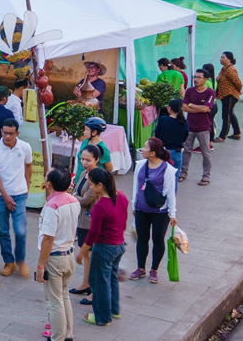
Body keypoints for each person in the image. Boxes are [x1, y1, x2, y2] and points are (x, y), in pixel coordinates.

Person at [33, 167, 81, 341]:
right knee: (64, 297)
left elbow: (48, 238)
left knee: (54, 301)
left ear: (50, 184)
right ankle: (68, 336)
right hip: (69, 254)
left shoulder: (52, 207)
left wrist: (40, 265)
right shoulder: (74, 201)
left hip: (55, 257)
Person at [80, 168, 127, 326]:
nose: (90, 187)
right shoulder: (122, 197)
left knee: (99, 282)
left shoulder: (100, 206)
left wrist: (82, 252)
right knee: (112, 278)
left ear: (100, 185)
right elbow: (124, 220)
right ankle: (114, 309)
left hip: (104, 248)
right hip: (119, 245)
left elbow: (93, 233)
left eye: (92, 184)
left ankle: (102, 317)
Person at [130, 138, 179, 283]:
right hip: (141, 209)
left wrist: (172, 213)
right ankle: (141, 268)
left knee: (158, 240)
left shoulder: (168, 170)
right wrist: (134, 205)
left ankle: (154, 269)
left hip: (160, 212)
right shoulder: (139, 165)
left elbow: (170, 193)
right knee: (142, 239)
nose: (142, 149)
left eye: (145, 147)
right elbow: (135, 187)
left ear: (152, 153)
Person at [0, 118, 33, 277]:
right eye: (5, 133)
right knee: (3, 230)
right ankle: (9, 262)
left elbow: (29, 166)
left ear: (17, 133)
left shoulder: (25, 147)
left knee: (21, 230)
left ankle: (20, 260)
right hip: (1, 196)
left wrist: (26, 187)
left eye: (11, 134)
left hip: (20, 194)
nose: (7, 137)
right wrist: (6, 196)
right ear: (1, 131)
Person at [69, 145, 103, 301]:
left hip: (90, 221)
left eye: (88, 160)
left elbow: (84, 200)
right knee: (87, 254)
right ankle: (85, 284)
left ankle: (92, 289)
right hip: (82, 220)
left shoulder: (98, 177)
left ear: (97, 160)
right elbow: (76, 191)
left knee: (91, 255)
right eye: (82, 159)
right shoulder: (83, 174)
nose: (84, 162)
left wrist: (70, 196)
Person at [180, 69, 216, 186]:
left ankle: (206, 176)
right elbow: (184, 107)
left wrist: (192, 105)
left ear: (205, 79)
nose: (196, 79)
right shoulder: (190, 91)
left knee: (205, 153)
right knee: (186, 151)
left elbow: (206, 109)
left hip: (204, 128)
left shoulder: (210, 92)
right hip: (190, 126)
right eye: (195, 77)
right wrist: (198, 107)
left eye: (199, 77)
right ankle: (183, 173)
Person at [152, 100, 189, 171]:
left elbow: (157, 134)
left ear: (169, 108)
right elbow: (185, 137)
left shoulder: (163, 119)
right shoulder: (184, 122)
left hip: (164, 151)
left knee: (162, 175)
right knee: (175, 176)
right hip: (177, 152)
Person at [214, 52, 243, 142]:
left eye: (223, 57)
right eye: (221, 57)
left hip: (230, 95)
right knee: (230, 114)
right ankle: (237, 133)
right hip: (225, 95)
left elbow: (238, 83)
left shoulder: (231, 70)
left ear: (229, 59)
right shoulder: (224, 68)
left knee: (226, 115)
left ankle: (222, 136)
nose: (221, 59)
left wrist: (238, 91)